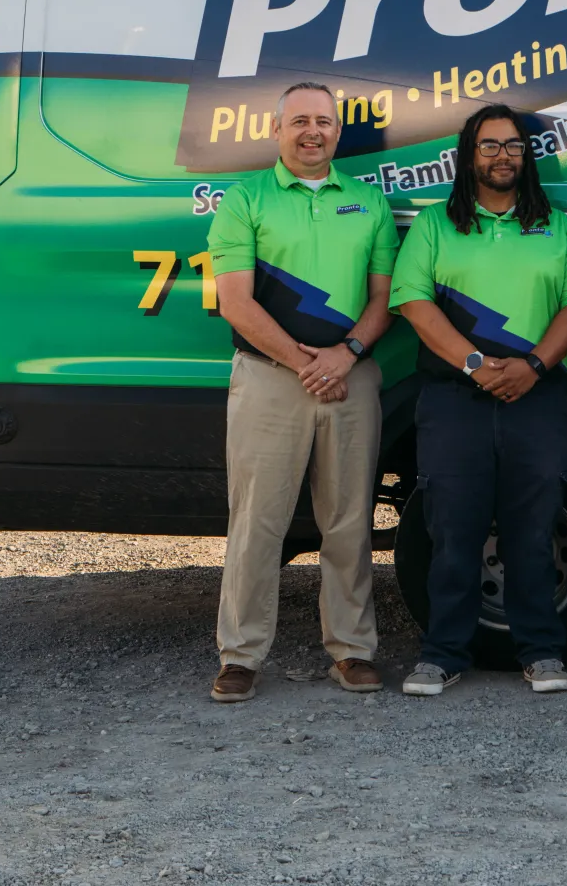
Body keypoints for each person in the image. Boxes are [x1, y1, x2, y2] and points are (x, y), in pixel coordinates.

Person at [390, 104, 567, 697]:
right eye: (489, 146)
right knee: (453, 527)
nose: (502, 155)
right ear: (469, 154)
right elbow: (412, 300)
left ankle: (541, 651)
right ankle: (442, 653)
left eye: (512, 145)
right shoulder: (436, 225)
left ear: (525, 156)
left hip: (537, 396)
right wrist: (477, 365)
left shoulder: (555, 226)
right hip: (456, 397)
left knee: (532, 527)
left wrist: (532, 365)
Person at [207, 81, 398, 703]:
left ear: (338, 133)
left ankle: (352, 650)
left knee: (347, 522)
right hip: (268, 380)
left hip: (352, 378)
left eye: (324, 122)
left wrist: (346, 355)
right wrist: (302, 362)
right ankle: (240, 656)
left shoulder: (368, 202)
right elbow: (235, 301)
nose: (312, 132)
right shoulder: (245, 200)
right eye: (299, 122)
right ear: (277, 129)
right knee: (257, 522)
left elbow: (383, 299)